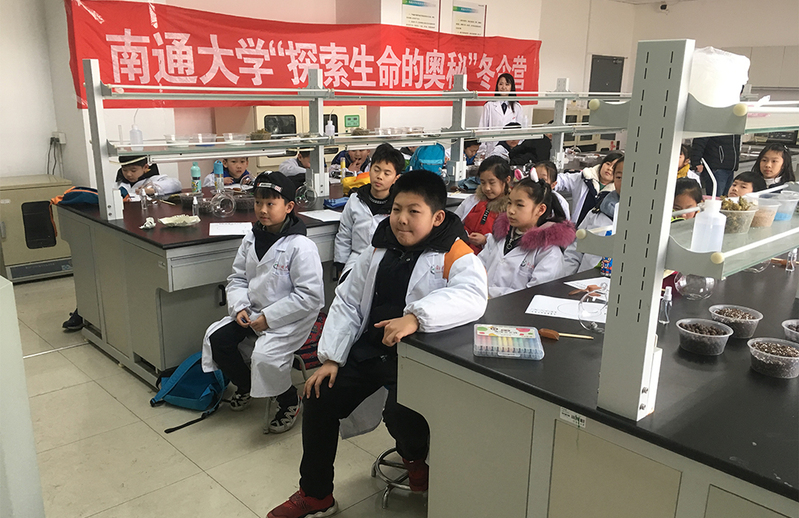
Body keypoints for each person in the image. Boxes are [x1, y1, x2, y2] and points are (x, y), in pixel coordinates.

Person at [267, 170, 488, 518]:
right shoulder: (378, 247)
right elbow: (348, 301)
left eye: (413, 211)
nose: (401, 219)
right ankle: (316, 494)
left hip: (418, 358)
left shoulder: (455, 253)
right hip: (372, 350)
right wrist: (331, 358)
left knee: (401, 413)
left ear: (437, 217)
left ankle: (414, 458)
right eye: (397, 209)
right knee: (318, 397)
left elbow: (472, 296)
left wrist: (416, 317)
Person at [200, 172, 324, 432]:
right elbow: (237, 278)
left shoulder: (301, 246)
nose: (263, 210)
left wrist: (270, 318)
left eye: (270, 203)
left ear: (289, 207)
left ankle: (289, 401)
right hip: (252, 310)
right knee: (218, 339)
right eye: (258, 203)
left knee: (265, 357)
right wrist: (239, 307)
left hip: (289, 318)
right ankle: (245, 385)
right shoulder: (252, 237)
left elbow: (310, 296)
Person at [63, 155, 182, 331]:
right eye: (125, 170)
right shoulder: (120, 185)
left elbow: (176, 184)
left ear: (146, 168)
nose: (129, 174)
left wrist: (150, 189)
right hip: (122, 230)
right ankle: (85, 310)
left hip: (147, 233)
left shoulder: (156, 180)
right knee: (101, 270)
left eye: (133, 170)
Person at [478, 178, 575, 298]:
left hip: (513, 308)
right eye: (509, 203)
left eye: (519, 205)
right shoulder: (499, 236)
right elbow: (477, 267)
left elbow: (536, 294)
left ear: (540, 209)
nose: (511, 210)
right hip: (480, 302)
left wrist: (490, 294)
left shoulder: (548, 251)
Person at [333, 143, 405, 278]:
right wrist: (340, 265)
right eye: (376, 170)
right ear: (370, 169)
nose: (379, 176)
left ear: (396, 178)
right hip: (357, 258)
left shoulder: (400, 205)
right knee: (347, 288)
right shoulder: (355, 199)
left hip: (387, 261)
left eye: (387, 173)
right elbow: (344, 234)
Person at [563, 157, 624, 275]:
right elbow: (574, 252)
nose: (623, 183)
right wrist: (565, 280)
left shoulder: (648, 221)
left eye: (630, 177)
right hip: (584, 282)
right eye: (619, 177)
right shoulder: (598, 212)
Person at [453, 156, 512, 253]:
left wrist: (485, 241)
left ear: (507, 180)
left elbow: (510, 243)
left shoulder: (511, 208)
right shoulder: (473, 200)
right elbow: (454, 222)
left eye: (492, 183)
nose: (487, 188)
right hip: (462, 253)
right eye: (483, 183)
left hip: (489, 258)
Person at [555, 151, 624, 227]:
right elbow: (562, 180)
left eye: (613, 167)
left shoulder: (615, 194)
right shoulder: (586, 177)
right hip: (576, 228)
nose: (609, 169)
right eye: (608, 164)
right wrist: (549, 180)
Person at [478, 73, 527, 156]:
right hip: (491, 148)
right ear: (497, 86)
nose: (504, 87)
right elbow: (482, 129)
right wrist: (482, 150)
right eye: (501, 84)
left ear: (511, 87)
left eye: (507, 84)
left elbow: (520, 131)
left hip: (510, 149)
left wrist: (517, 148)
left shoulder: (517, 107)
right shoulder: (489, 105)